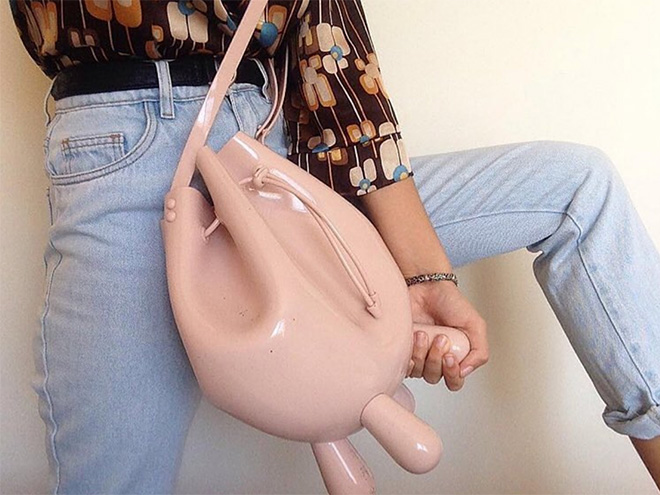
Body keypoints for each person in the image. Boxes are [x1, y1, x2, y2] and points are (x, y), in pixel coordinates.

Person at [9, 0, 660, 492]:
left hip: (270, 149)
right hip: (127, 141)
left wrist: (424, 274)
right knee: (112, 481)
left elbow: (333, 45)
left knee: (576, 185)